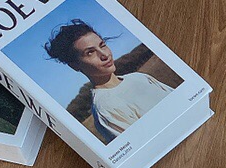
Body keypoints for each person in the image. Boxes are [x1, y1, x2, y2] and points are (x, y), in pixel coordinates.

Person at [43, 19, 172, 142]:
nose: (104, 55)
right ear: (74, 65)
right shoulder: (105, 109)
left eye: (102, 45)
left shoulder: (138, 77)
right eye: (90, 52)